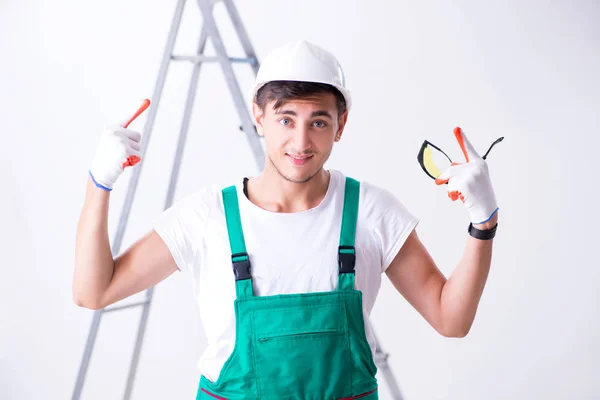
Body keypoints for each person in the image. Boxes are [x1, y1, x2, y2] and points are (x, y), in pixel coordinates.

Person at [73, 40, 499, 399]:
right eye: (285, 119)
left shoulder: (371, 211)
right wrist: (100, 182)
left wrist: (483, 222)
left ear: (341, 125)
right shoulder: (208, 217)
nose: (300, 141)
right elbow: (94, 291)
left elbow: (451, 319)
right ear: (259, 116)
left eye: (318, 121)